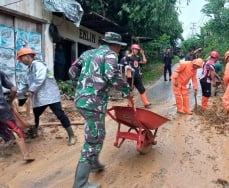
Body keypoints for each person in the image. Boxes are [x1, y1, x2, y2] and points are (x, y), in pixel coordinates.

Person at [70, 32, 133, 188]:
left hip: (80, 100)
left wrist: (79, 88)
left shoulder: (88, 53)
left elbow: (72, 71)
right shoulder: (111, 55)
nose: (119, 50)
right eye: (119, 47)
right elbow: (113, 75)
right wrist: (127, 91)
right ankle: (80, 184)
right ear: (116, 45)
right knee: (94, 139)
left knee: (97, 132)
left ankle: (94, 164)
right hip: (94, 103)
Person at [16, 47, 76, 145]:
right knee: (36, 115)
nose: (21, 61)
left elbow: (40, 78)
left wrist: (31, 90)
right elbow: (24, 84)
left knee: (60, 114)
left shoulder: (38, 65)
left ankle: (71, 135)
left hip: (51, 95)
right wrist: (16, 94)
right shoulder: (28, 71)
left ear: (27, 56)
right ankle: (34, 131)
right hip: (39, 98)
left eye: (21, 59)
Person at [0, 71, 34, 162]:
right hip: (2, 109)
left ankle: (8, 143)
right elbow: (14, 89)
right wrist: (10, 101)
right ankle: (25, 155)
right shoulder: (1, 73)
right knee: (15, 129)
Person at [125, 44, 151, 108]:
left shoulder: (138, 57)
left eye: (137, 50)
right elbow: (125, 66)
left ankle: (146, 103)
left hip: (137, 75)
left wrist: (143, 54)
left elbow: (144, 62)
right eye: (135, 49)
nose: (137, 50)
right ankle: (130, 104)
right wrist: (128, 74)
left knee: (141, 88)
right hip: (131, 76)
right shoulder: (128, 57)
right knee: (130, 90)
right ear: (132, 49)